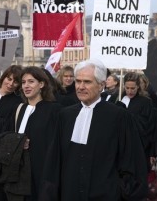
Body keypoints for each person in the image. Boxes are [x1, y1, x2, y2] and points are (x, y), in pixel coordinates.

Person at [40, 59, 148, 201]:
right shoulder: (65, 116)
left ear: (101, 85)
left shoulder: (119, 116)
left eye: (87, 82)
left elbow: (131, 160)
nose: (80, 86)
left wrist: (120, 190)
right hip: (70, 193)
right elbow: (54, 162)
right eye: (78, 81)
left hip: (105, 194)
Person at [11, 66, 62, 200]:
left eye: (31, 81)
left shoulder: (54, 110)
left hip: (42, 172)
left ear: (41, 84)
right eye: (23, 82)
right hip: (20, 173)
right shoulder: (19, 109)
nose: (26, 86)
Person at [0, 65, 23, 131]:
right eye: (9, 79)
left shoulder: (17, 101)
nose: (11, 84)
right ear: (3, 77)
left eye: (15, 82)